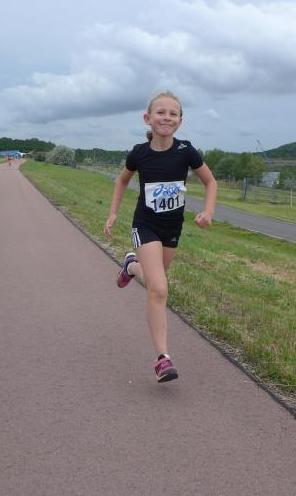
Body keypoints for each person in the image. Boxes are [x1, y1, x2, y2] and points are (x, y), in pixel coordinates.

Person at [103, 91, 217, 383]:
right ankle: (162, 359)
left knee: (157, 282)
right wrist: (113, 213)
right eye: (161, 112)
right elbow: (122, 180)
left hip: (172, 228)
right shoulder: (139, 153)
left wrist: (207, 211)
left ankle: (131, 266)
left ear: (180, 121)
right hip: (145, 225)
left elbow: (210, 181)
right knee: (159, 289)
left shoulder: (186, 151)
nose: (167, 117)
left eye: (173, 113)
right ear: (148, 118)